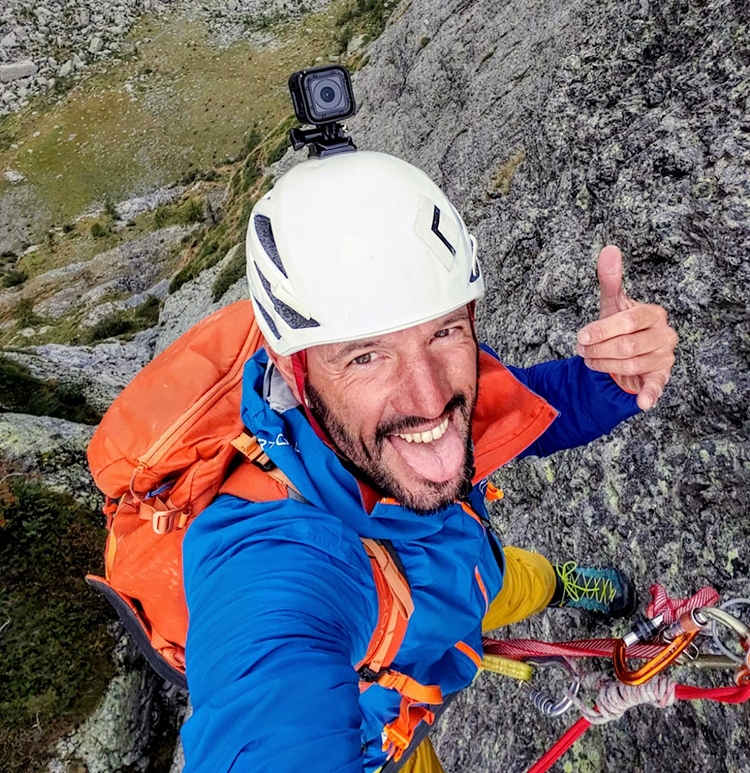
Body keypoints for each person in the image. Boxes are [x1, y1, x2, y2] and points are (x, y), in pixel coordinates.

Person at [180, 151, 678, 773]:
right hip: (387, 720)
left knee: (513, 578)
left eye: (443, 331)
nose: (429, 400)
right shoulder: (276, 559)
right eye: (365, 356)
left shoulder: (423, 394)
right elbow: (267, 697)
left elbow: (522, 412)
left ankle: (561, 583)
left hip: (467, 573)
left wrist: (615, 378)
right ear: (293, 371)